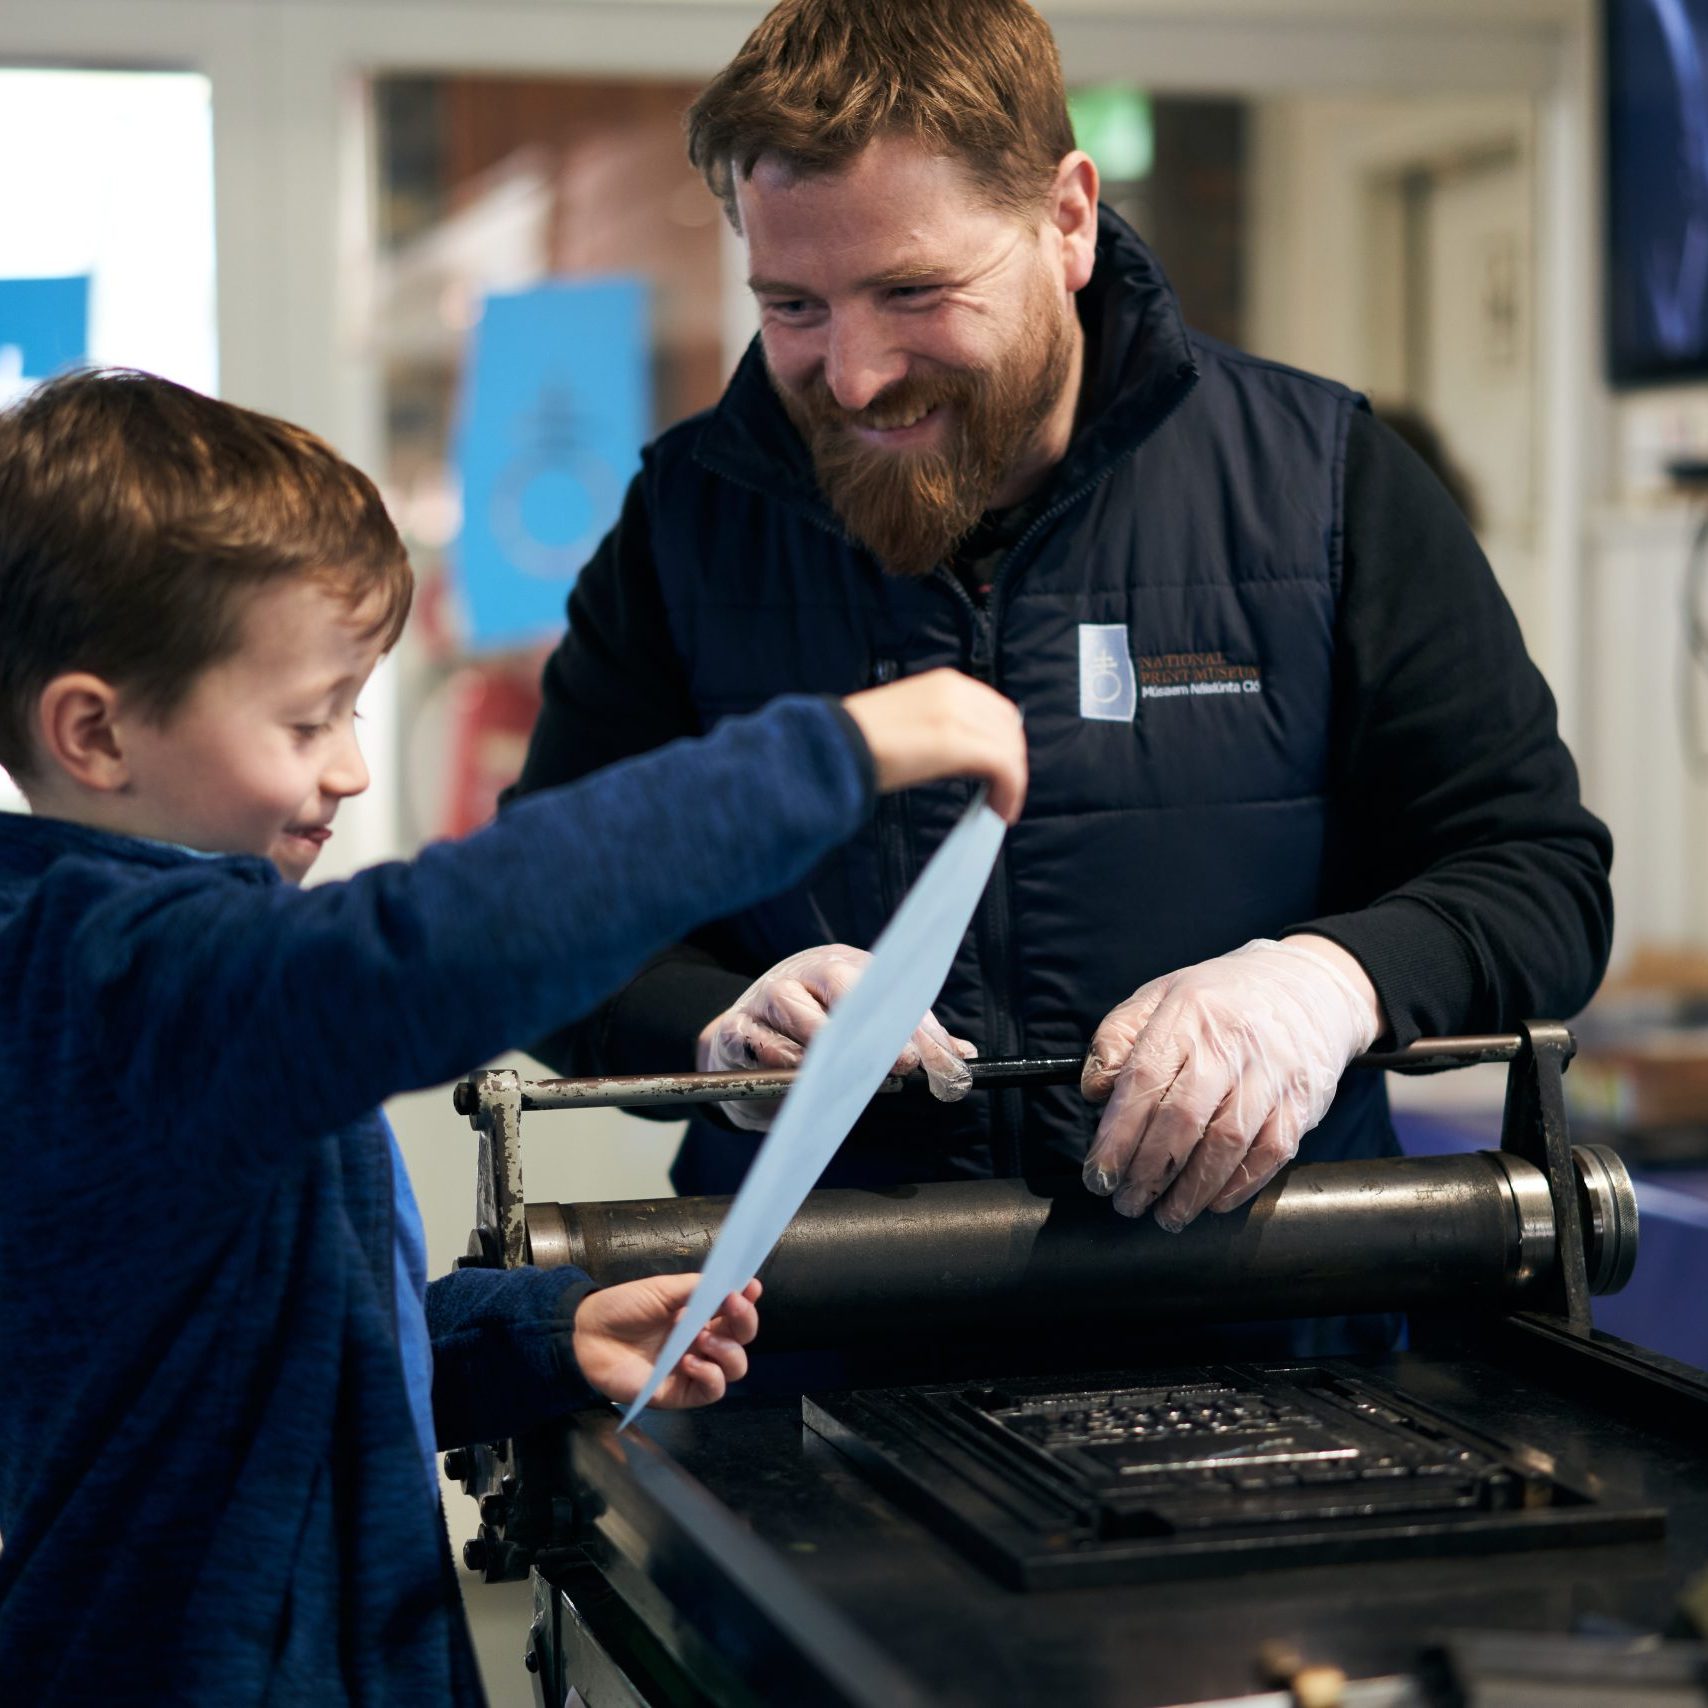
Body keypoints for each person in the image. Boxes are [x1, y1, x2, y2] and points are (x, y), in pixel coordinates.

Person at [508, 0, 1612, 1309]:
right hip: (798, 1357)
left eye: (913, 291)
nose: (853, 377)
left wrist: (1329, 985)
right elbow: (540, 918)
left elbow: (1538, 874)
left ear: (1069, 219)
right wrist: (712, 1022)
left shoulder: (1322, 486)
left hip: (1271, 1333)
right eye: (793, 304)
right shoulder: (688, 526)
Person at [0, 369, 1026, 1703]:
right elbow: (433, 945)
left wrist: (529, 1340)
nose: (352, 768)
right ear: (94, 731)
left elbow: (268, 1350)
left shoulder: (164, 986)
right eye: (308, 719)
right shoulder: (117, 989)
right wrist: (830, 755)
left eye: (356, 711)